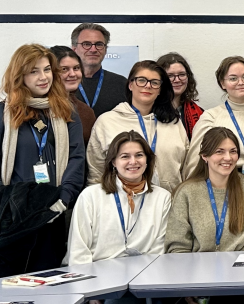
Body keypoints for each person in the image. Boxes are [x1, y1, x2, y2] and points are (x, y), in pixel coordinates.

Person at [44, 132, 170, 304]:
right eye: (124, 156)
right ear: (113, 161)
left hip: (132, 286)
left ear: (148, 160)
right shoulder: (91, 196)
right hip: (83, 283)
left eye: (139, 155)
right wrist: (91, 294)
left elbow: (157, 252)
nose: (133, 162)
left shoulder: (162, 198)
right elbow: (78, 251)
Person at [0, 44, 86, 272]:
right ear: (20, 75)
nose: (43, 77)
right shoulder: (1, 113)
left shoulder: (66, 112)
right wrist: (0, 202)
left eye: (47, 69)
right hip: (12, 217)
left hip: (53, 212)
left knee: (48, 286)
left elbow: (77, 158)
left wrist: (64, 200)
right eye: (34, 71)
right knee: (8, 286)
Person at [165, 126, 244, 304]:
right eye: (220, 151)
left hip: (238, 280)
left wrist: (227, 277)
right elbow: (177, 247)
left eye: (233, 151)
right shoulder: (187, 192)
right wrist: (188, 287)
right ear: (205, 156)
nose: (228, 158)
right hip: (196, 281)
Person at [87, 60, 188, 193]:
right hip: (120, 205)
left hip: (169, 203)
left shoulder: (173, 122)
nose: (147, 86)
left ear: (160, 90)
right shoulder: (107, 122)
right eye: (141, 80)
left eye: (155, 82)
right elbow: (96, 173)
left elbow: (186, 168)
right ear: (130, 85)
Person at [185, 56, 244, 179]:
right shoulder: (211, 117)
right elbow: (194, 164)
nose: (241, 82)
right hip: (223, 185)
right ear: (222, 83)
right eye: (233, 78)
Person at [70, 23, 128, 117]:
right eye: (86, 44)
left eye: (99, 44)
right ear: (74, 49)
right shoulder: (62, 84)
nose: (93, 49)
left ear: (105, 50)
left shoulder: (122, 84)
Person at [49, 46, 96, 145]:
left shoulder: (86, 112)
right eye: (64, 69)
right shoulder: (38, 108)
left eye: (76, 68)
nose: (72, 74)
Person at [157, 52, 204, 140]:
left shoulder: (199, 113)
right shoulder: (150, 112)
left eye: (182, 74)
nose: (177, 80)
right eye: (170, 76)